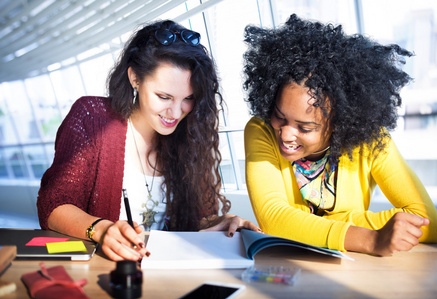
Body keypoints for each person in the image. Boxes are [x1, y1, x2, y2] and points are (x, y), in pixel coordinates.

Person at [37, 20, 260, 261]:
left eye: (188, 98)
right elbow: (54, 204)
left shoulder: (191, 134)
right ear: (135, 78)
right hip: (108, 273)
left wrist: (219, 223)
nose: (176, 112)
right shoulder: (93, 117)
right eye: (164, 96)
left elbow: (197, 220)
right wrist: (102, 230)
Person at [243, 14, 437, 256]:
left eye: (305, 128)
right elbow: (275, 219)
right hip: (290, 265)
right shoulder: (261, 130)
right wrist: (369, 239)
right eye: (279, 116)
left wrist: (307, 222)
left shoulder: (371, 141)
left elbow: (428, 220)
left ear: (339, 124)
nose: (285, 134)